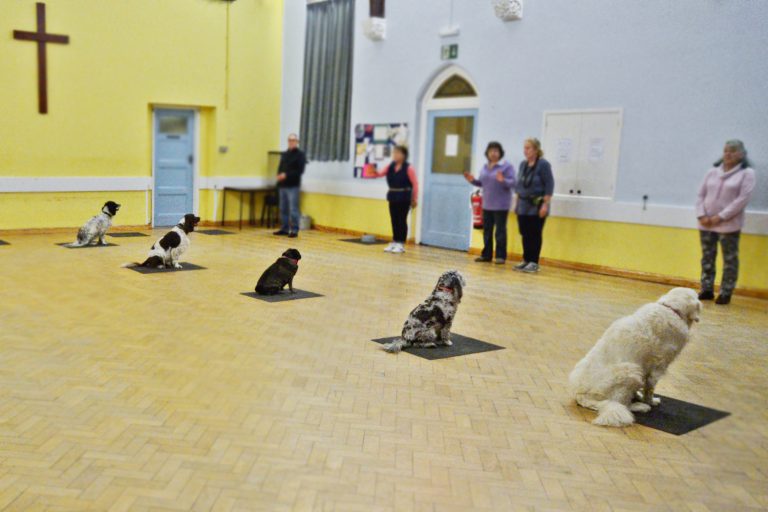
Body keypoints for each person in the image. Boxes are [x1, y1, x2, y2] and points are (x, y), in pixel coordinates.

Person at [695, 140, 756, 305]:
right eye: (726, 150)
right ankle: (706, 289)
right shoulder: (712, 172)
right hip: (706, 223)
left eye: (733, 151)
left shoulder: (746, 173)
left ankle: (725, 292)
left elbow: (741, 200)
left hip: (729, 225)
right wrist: (701, 215)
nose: (728, 154)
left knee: (729, 260)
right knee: (707, 257)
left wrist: (719, 217)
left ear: (742, 154)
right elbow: (700, 195)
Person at [463, 142, 516, 264]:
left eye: (496, 151)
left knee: (500, 231)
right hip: (487, 204)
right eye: (491, 151)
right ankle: (486, 255)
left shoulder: (506, 167)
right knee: (487, 230)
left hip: (501, 205)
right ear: (487, 153)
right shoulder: (485, 167)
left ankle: (500, 256)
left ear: (500, 153)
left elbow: (513, 183)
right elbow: (482, 183)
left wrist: (503, 180)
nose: (493, 153)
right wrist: (472, 180)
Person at [514, 138, 554, 273]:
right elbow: (519, 185)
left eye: (528, 148)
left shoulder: (543, 165)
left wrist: (545, 205)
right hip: (523, 205)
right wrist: (517, 203)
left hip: (537, 205)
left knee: (534, 233)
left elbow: (549, 184)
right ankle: (526, 259)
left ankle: (533, 262)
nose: (525, 151)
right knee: (524, 233)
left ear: (536, 150)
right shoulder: (523, 165)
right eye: (524, 148)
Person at [370, 145, 419, 253]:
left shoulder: (408, 168)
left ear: (404, 155)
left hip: (404, 196)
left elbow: (415, 184)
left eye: (398, 153)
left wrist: (414, 198)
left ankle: (401, 243)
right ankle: (395, 241)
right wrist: (373, 172)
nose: (395, 155)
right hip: (393, 196)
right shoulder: (390, 166)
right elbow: (380, 174)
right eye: (394, 153)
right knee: (394, 219)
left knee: (402, 220)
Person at [274, 133, 307, 238]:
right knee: (283, 208)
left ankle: (294, 229)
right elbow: (280, 167)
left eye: (293, 140)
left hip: (293, 186)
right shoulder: (285, 154)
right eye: (289, 140)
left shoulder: (300, 155)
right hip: (283, 185)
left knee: (293, 209)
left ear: (297, 142)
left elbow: (300, 171)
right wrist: (279, 176)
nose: (291, 142)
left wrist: (286, 175)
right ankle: (284, 228)